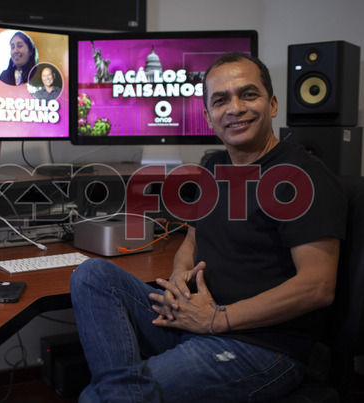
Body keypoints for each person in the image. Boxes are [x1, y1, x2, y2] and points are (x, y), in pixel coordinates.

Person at [70, 52, 348, 402]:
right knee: (92, 275)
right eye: (220, 100)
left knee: (94, 399)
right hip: (197, 321)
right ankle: (123, 393)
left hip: (262, 347)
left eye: (248, 94)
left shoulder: (302, 175)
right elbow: (193, 239)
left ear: (273, 104)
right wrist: (179, 278)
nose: (235, 108)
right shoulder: (215, 166)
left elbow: (317, 287)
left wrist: (217, 320)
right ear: (208, 116)